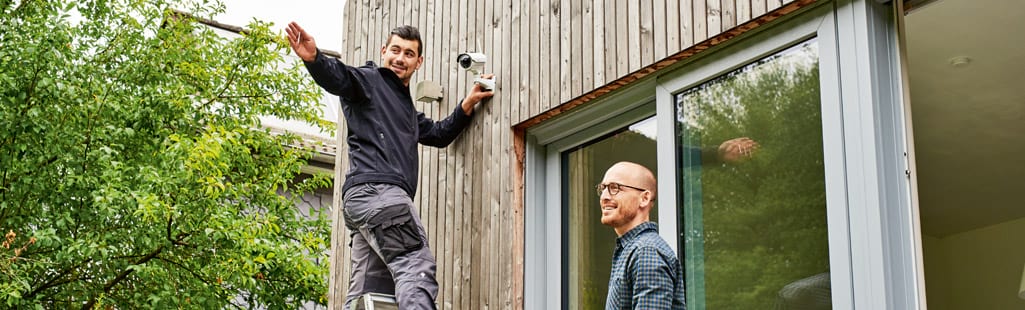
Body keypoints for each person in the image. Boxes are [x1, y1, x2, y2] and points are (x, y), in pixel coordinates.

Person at [285, 22, 493, 309]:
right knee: (415, 267)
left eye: (408, 54)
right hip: (380, 194)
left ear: (418, 62)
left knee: (368, 295)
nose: (400, 58)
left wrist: (466, 105)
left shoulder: (405, 109)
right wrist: (315, 59)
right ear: (384, 51)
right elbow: (340, 77)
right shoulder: (370, 79)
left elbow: (438, 134)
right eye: (395, 50)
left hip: (362, 207)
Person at [598, 162, 686, 310]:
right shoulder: (633, 249)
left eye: (615, 188)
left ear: (644, 198)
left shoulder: (646, 251)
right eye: (603, 188)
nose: (604, 196)